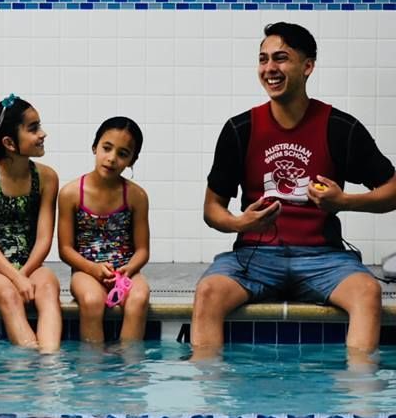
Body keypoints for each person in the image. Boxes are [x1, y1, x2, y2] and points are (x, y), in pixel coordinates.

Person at [191, 22, 396, 363]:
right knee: (209, 292)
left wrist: (344, 202)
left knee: (367, 291)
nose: (269, 68)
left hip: (324, 259)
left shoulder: (339, 127)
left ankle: (358, 402)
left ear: (307, 66)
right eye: (263, 59)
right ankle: (214, 403)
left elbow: (392, 189)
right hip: (254, 259)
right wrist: (242, 223)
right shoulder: (239, 129)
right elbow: (212, 208)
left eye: (281, 58)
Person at [0, 94, 61, 352]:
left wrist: (24, 274)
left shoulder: (47, 178)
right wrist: (15, 279)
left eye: (39, 125)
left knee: (49, 289)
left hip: (30, 265)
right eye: (33, 129)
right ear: (9, 142)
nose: (42, 134)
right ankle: (26, 367)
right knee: (9, 296)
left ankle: (49, 365)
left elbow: (44, 239)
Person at [58, 117, 151, 343]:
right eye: (106, 148)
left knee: (139, 298)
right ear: (94, 147)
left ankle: (128, 369)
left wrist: (129, 269)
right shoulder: (71, 194)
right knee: (91, 300)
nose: (111, 159)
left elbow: (142, 250)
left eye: (122, 153)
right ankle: (93, 371)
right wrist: (93, 269)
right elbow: (65, 249)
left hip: (125, 271)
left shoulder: (136, 197)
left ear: (132, 160)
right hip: (86, 270)